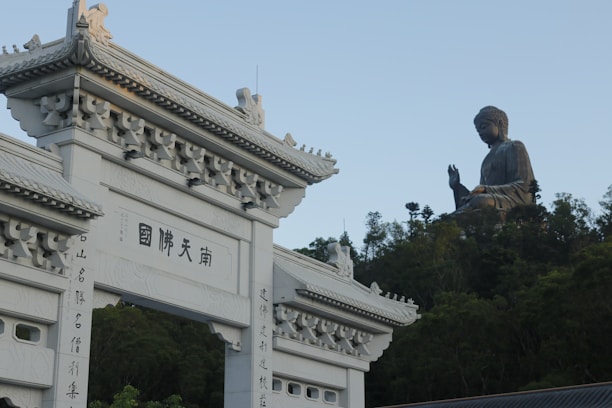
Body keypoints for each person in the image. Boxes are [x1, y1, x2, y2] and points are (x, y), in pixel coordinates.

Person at [448, 106, 535, 213]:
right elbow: (479, 192)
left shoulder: (515, 146)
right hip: (492, 198)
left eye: (483, 127)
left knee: (481, 201)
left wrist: (487, 189)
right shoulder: (486, 159)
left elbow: (525, 185)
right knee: (463, 209)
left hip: (514, 200)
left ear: (499, 124)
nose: (480, 133)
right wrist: (457, 187)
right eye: (478, 130)